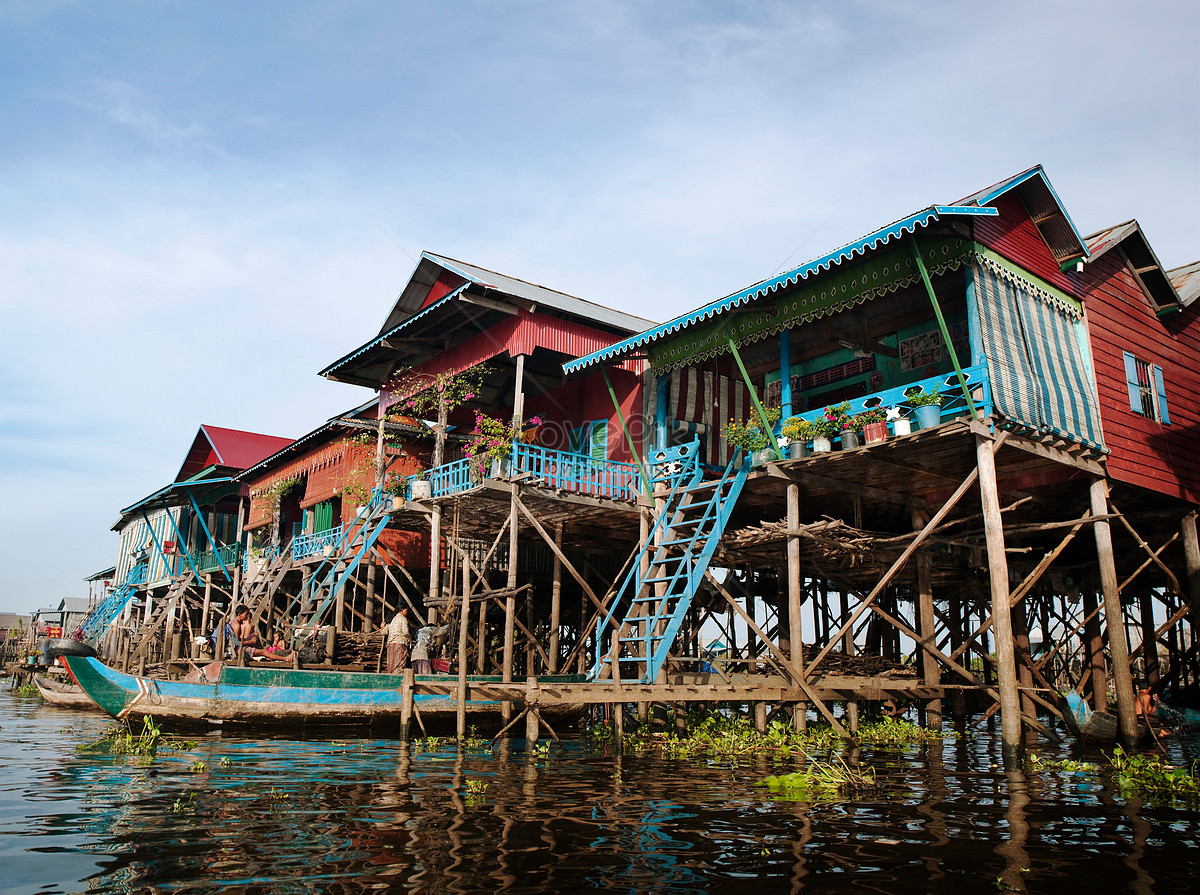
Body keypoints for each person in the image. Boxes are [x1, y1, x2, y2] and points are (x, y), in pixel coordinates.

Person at [385, 608, 411, 673]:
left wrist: (383, 627)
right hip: (400, 642)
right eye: (406, 610)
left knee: (392, 662)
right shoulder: (403, 619)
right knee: (400, 662)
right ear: (402, 610)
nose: (406, 612)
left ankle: (392, 675)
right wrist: (409, 638)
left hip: (391, 643)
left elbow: (384, 631)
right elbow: (405, 632)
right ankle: (398, 676)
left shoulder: (393, 619)